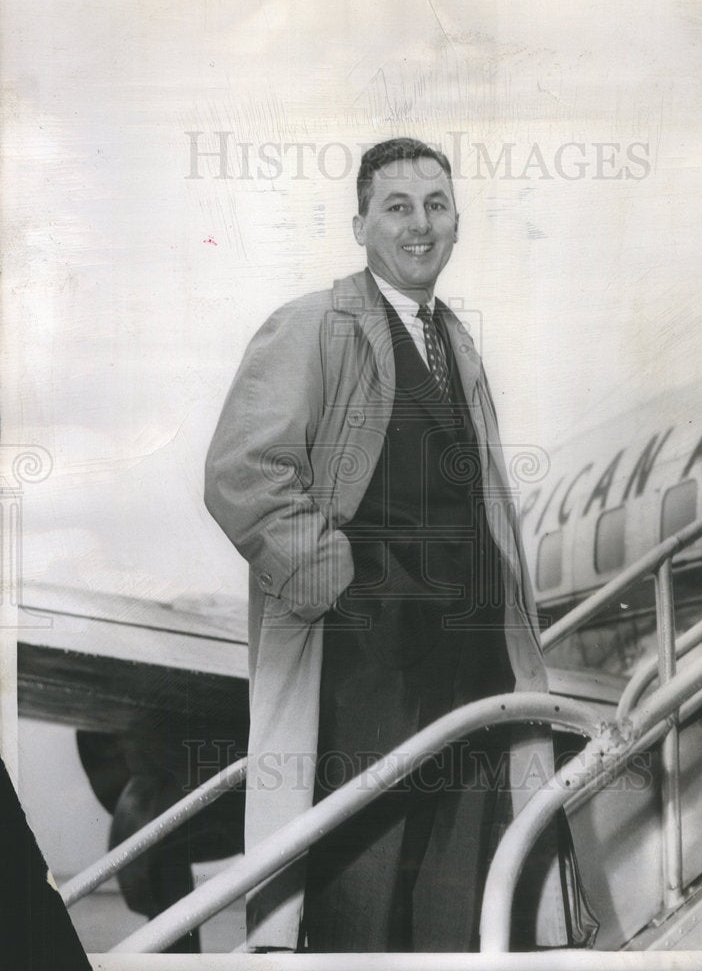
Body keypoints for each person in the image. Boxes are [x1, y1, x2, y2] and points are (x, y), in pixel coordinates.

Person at [205, 137, 595, 952]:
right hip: (364, 682)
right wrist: (337, 585)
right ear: (360, 225)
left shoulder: (457, 345)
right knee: (361, 904)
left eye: (436, 206)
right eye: (397, 207)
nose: (420, 225)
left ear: (456, 222)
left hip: (473, 677)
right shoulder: (311, 326)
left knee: (458, 916)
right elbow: (243, 472)